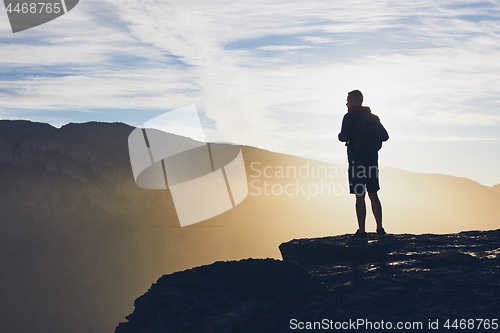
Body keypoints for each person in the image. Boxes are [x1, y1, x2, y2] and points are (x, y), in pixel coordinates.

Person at [338, 90, 389, 239]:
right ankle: (380, 228)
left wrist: (342, 136)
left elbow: (344, 137)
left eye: (348, 100)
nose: (346, 103)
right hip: (372, 160)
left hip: (356, 162)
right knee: (373, 194)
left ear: (354, 101)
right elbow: (385, 136)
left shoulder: (349, 117)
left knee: (360, 196)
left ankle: (362, 231)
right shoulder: (373, 117)